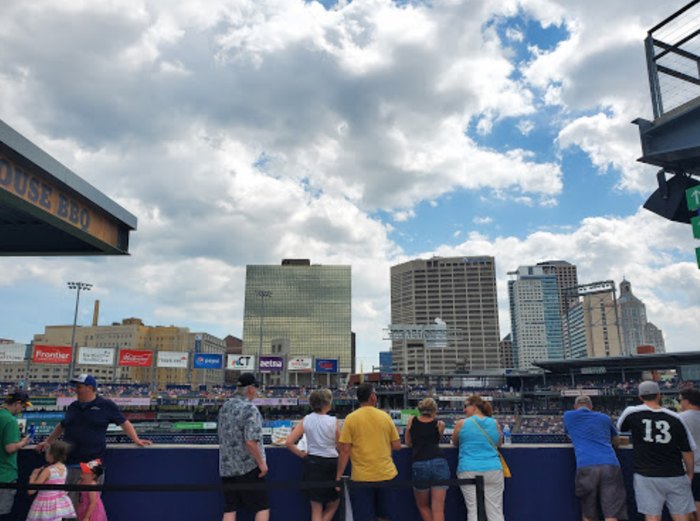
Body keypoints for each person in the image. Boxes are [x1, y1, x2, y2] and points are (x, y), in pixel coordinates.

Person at [36, 374, 151, 509]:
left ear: (90, 388)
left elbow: (124, 423)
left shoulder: (106, 405)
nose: (76, 390)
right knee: (67, 505)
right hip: (69, 462)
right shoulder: (73, 406)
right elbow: (62, 425)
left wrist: (136, 439)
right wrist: (48, 441)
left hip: (91, 464)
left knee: (90, 504)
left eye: (79, 387)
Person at [617, 381, 696, 521]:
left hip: (646, 474)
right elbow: (687, 451)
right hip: (674, 473)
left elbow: (621, 428)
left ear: (640, 397)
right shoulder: (675, 417)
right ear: (659, 395)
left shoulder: (631, 412)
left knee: (652, 516)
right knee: (681, 516)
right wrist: (689, 473)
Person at [336, 383, 401, 521]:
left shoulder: (351, 418)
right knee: (384, 516)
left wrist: (338, 476)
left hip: (362, 477)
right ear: (372, 397)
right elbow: (397, 445)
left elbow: (345, 451)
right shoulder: (385, 417)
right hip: (386, 474)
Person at [562, 395, 627, 521]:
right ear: (591, 407)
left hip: (586, 465)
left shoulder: (568, 416)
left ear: (575, 407)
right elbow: (616, 441)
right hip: (610, 464)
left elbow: (567, 433)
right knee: (612, 513)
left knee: (588, 514)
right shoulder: (604, 418)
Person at [218, 373, 269, 521]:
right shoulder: (250, 409)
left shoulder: (225, 406)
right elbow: (250, 441)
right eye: (256, 389)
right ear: (251, 389)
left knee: (230, 508)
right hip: (248, 467)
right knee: (262, 507)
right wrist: (262, 464)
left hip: (227, 466)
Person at [285, 388, 340, 521]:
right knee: (334, 503)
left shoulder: (306, 419)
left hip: (313, 463)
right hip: (331, 463)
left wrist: (303, 455)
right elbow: (340, 445)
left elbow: (289, 442)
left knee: (316, 507)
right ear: (327, 403)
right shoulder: (333, 421)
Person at [451, 395, 504, 521]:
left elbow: (455, 442)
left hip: (468, 469)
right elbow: (499, 443)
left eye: (466, 406)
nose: (464, 410)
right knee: (495, 511)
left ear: (474, 407)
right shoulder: (494, 423)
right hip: (493, 469)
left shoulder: (461, 423)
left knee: (473, 510)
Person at [404, 397, 448, 521]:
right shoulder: (440, 424)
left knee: (423, 505)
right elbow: (436, 440)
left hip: (420, 462)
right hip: (439, 462)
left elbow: (408, 443)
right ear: (434, 410)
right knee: (438, 509)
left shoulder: (412, 420)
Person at [26, 440, 76, 521]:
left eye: (47, 452)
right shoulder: (64, 468)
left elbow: (31, 490)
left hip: (44, 505)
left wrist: (33, 476)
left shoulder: (47, 471)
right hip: (57, 506)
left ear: (52, 455)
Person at [0, 391, 31, 521]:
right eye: (23, 406)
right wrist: (23, 442)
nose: (22, 410)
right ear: (18, 403)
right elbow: (10, 448)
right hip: (5, 475)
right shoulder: (10, 420)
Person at [679, 388, 700, 519]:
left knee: (683, 506)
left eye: (680, 400)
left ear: (687, 401)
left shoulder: (678, 418)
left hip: (687, 469)